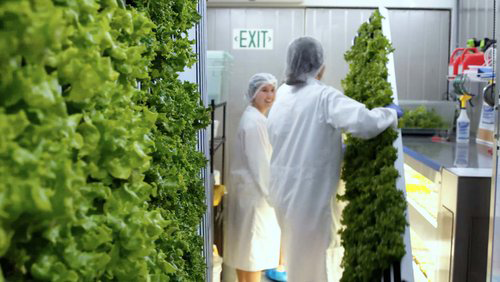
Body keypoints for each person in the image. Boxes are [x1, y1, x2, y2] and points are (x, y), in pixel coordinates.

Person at [266, 37, 403, 282]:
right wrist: (390, 113)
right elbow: (365, 123)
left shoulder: (283, 94)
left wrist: (333, 150)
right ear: (320, 67)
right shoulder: (323, 96)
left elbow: (290, 137)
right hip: (306, 197)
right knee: (309, 269)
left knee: (300, 264)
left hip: (282, 192)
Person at [224, 73, 286, 282]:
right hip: (257, 201)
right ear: (253, 94)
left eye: (272, 90)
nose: (269, 95)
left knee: (247, 257)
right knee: (252, 257)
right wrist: (276, 197)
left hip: (251, 199)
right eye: (264, 90)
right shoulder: (254, 122)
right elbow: (261, 166)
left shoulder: (255, 118)